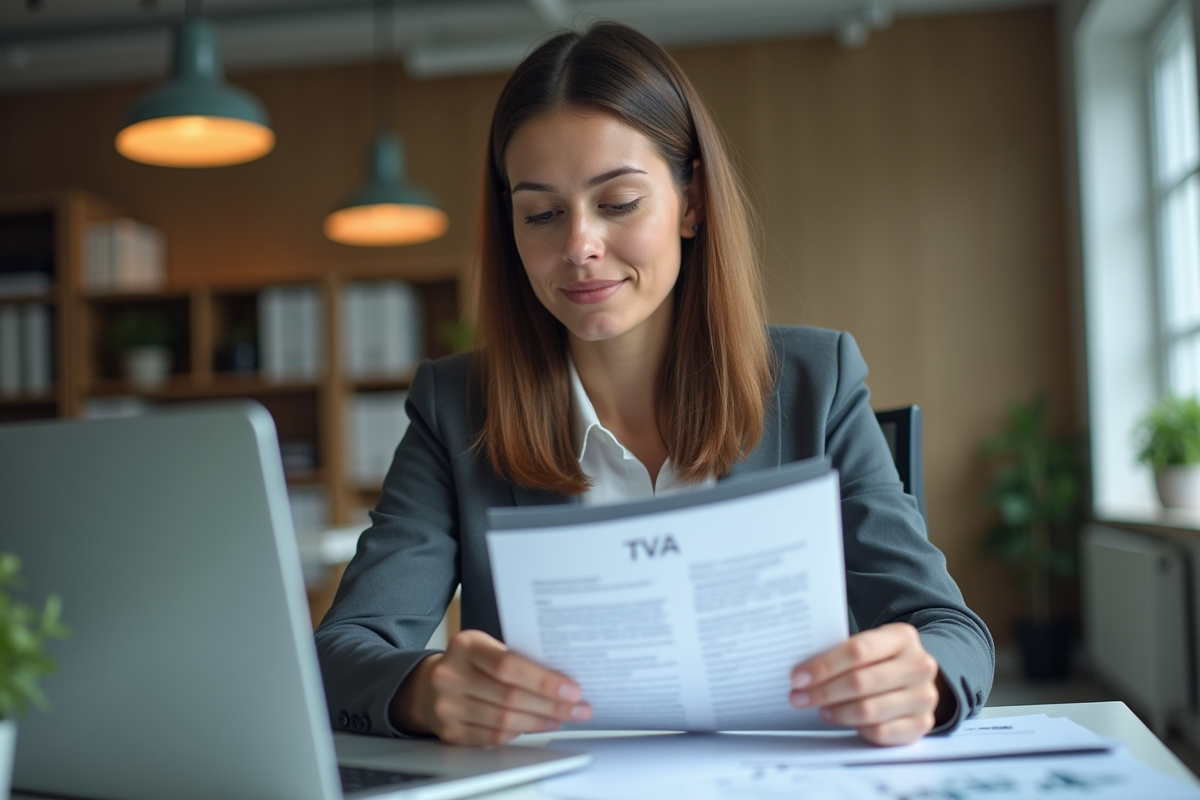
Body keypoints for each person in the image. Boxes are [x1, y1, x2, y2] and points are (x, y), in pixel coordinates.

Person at [315, 21, 994, 749]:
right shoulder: (455, 408)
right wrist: (422, 691)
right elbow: (341, 652)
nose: (579, 246)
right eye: (541, 213)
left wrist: (921, 677)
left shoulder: (814, 381)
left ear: (691, 201)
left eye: (617, 203)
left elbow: (950, 631)